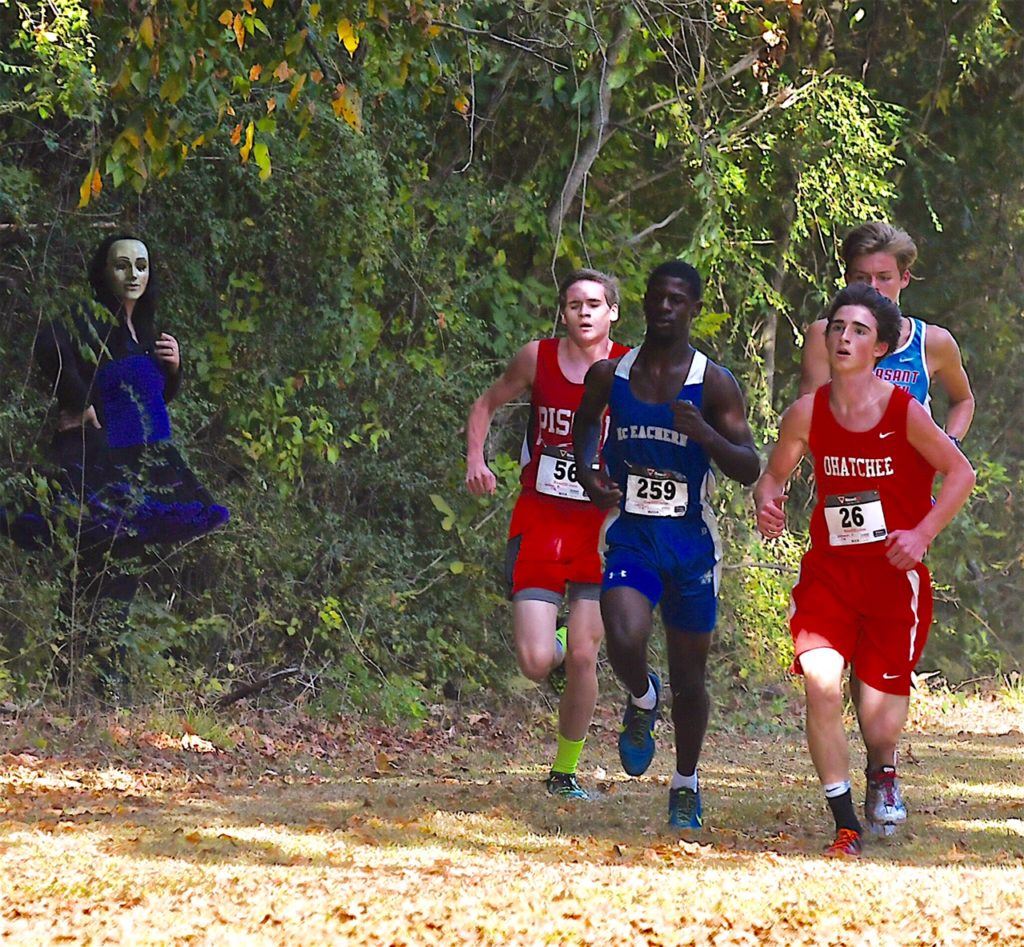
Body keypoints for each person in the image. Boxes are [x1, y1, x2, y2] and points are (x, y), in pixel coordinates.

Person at [755, 283, 975, 856]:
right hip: (828, 574)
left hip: (890, 579)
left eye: (858, 331)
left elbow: (960, 474)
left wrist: (921, 533)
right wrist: (768, 499)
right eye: (837, 329)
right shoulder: (806, 411)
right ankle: (844, 820)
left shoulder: (904, 411)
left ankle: (883, 772)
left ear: (880, 348)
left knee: (879, 727)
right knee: (823, 685)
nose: (845, 338)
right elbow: (773, 475)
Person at [573, 261, 759, 829]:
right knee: (624, 636)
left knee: (692, 678)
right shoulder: (611, 374)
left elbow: (749, 467)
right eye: (658, 297)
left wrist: (703, 432)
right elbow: (583, 426)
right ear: (646, 303)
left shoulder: (714, 382)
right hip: (632, 534)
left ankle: (686, 781)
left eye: (678, 299)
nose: (666, 307)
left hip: (691, 542)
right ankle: (641, 695)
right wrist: (587, 471)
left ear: (693, 308)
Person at [2, 234, 229, 690]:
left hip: (145, 466)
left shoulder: (141, 332)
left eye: (141, 266)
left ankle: (82, 683)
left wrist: (173, 370)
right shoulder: (92, 320)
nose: (133, 275)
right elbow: (48, 344)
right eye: (122, 265)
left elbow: (148, 401)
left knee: (114, 573)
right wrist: (80, 402)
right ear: (104, 271)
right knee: (97, 573)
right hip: (107, 465)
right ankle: (90, 684)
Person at [465, 269, 628, 800]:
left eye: (595, 304)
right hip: (540, 518)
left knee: (584, 655)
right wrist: (476, 459)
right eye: (575, 303)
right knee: (537, 663)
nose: (585, 312)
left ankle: (564, 772)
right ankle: (563, 637)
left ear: (613, 314)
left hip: (601, 527)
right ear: (563, 313)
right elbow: (486, 404)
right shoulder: (536, 358)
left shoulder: (630, 367)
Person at [799, 221, 975, 445]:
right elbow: (807, 415)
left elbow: (963, 400)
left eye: (884, 277)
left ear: (904, 278)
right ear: (847, 280)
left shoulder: (931, 341)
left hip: (909, 474)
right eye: (862, 278)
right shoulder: (825, 335)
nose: (873, 287)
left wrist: (950, 443)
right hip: (845, 469)